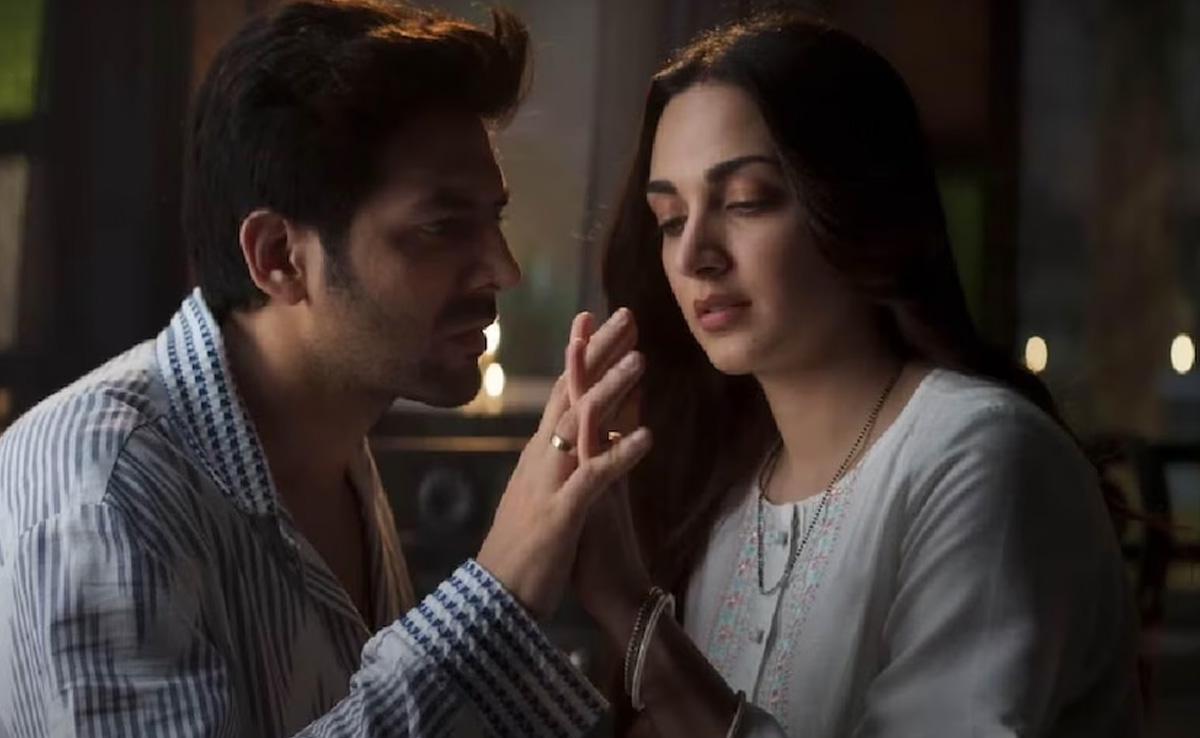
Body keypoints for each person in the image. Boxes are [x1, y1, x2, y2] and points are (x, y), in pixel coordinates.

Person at [0, 2, 652, 736]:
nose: (502, 270)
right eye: (442, 227)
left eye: (492, 219)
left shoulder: (329, 438)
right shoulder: (102, 498)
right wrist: (495, 597)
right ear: (280, 257)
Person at [568, 11, 1141, 737]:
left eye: (745, 201)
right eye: (671, 218)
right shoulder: (729, 499)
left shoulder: (981, 458)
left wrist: (632, 614)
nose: (693, 256)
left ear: (855, 206)